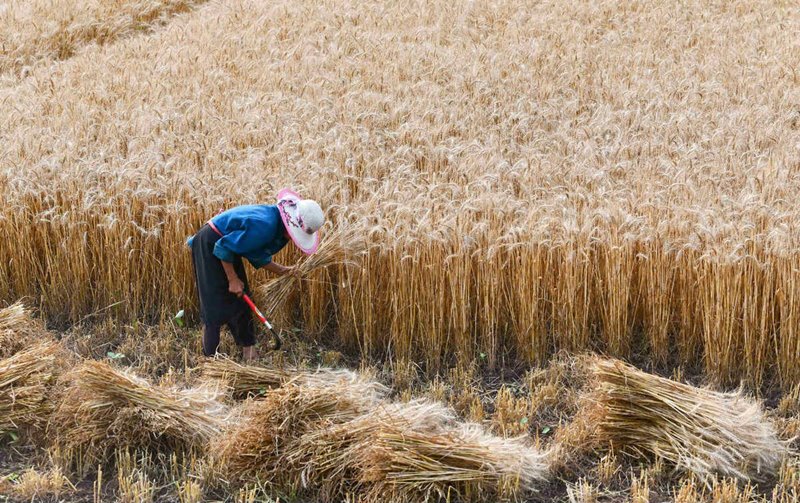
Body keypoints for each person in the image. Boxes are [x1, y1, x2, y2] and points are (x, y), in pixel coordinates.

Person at [187, 188, 324, 361]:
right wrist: (232, 279)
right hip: (209, 243)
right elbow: (222, 247)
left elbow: (254, 252)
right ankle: (210, 360)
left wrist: (283, 270)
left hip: (226, 247)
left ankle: (249, 353)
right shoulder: (265, 226)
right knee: (214, 305)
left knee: (243, 298)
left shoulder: (275, 225)